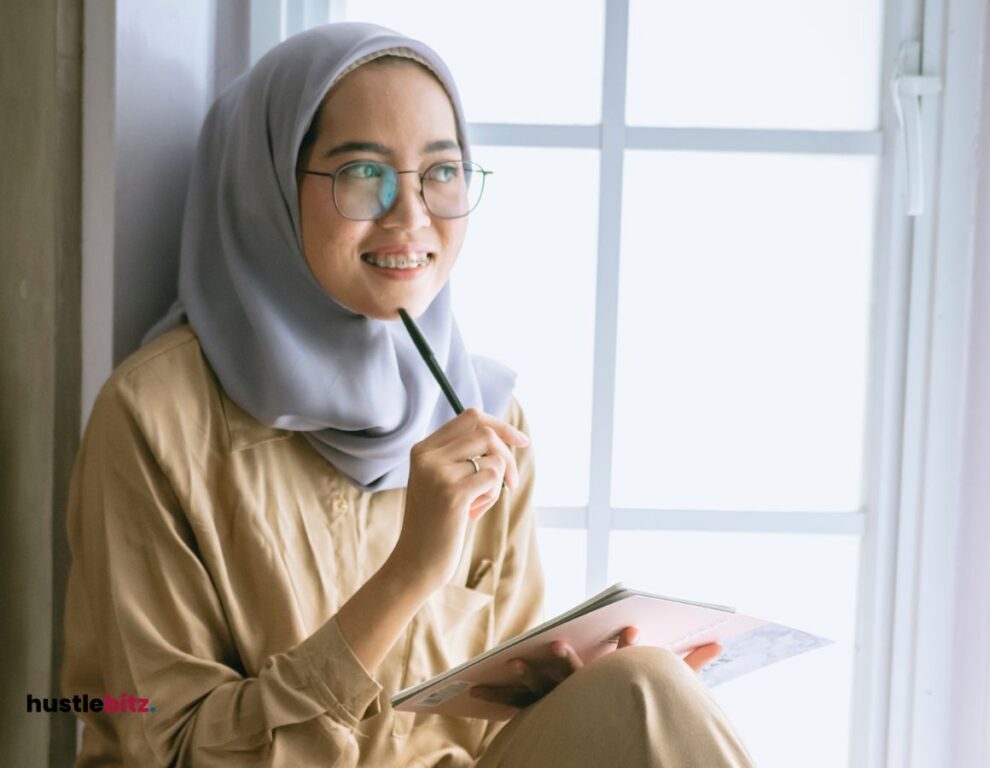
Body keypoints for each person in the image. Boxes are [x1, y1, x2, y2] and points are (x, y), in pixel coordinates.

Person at [61, 21, 756, 768]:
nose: (411, 215)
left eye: (442, 172)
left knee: (642, 685)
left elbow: (490, 725)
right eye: (363, 172)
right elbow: (165, 746)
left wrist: (572, 690)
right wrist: (409, 573)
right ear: (267, 186)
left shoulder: (482, 414)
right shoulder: (154, 418)